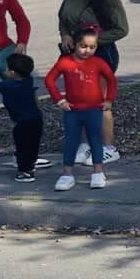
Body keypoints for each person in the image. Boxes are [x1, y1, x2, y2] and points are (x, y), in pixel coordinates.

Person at [57, 0, 128, 165]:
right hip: (74, 57)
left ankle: (109, 148)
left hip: (100, 55)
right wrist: (65, 35)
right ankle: (86, 144)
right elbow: (63, 19)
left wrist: (90, 43)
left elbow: (121, 29)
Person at [44, 25, 114, 192]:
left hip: (94, 109)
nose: (87, 51)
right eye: (83, 46)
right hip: (73, 110)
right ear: (75, 44)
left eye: (92, 47)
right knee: (71, 141)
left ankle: (98, 172)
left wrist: (109, 100)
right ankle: (67, 174)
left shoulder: (98, 62)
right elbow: (49, 80)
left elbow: (111, 80)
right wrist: (59, 100)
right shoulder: (65, 62)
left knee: (95, 140)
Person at [0, 53, 46, 181]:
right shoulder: (28, 80)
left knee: (22, 145)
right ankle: (30, 165)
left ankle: (25, 171)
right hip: (36, 119)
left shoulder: (8, 86)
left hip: (23, 122)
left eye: (6, 68)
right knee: (32, 144)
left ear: (12, 72)